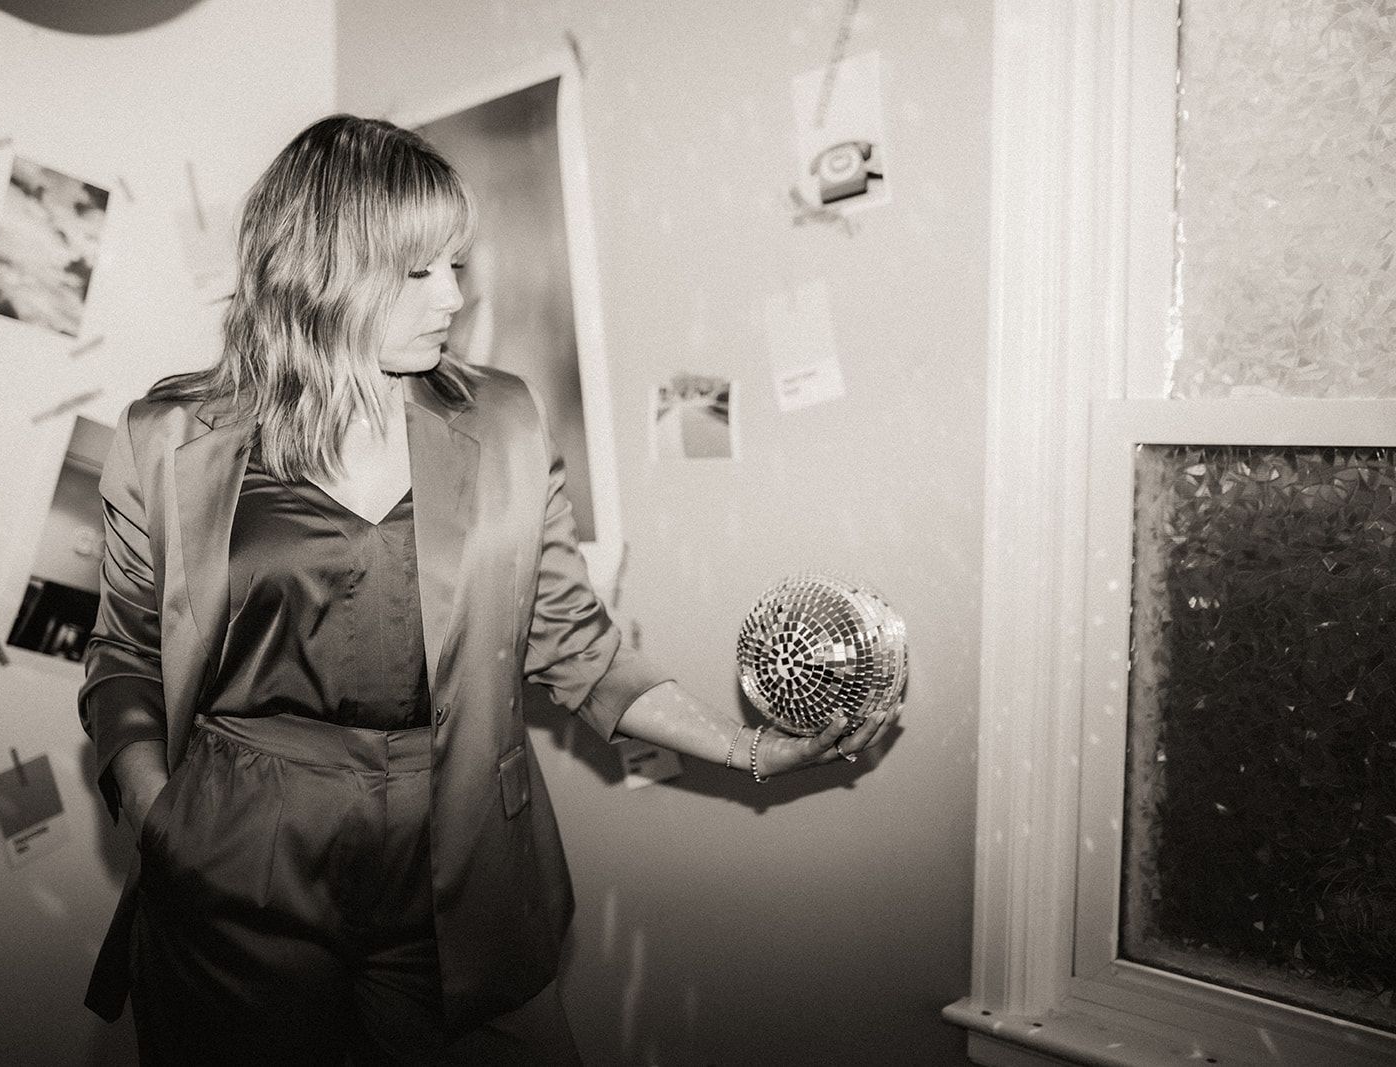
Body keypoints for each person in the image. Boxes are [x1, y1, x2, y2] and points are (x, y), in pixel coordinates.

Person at [78, 114, 895, 1065]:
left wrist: (749, 747)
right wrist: (157, 815)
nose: (455, 297)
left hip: (460, 850)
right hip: (238, 849)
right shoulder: (172, 436)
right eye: (419, 271)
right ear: (322, 270)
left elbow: (575, 645)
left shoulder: (501, 417)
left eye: (457, 265)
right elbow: (125, 656)